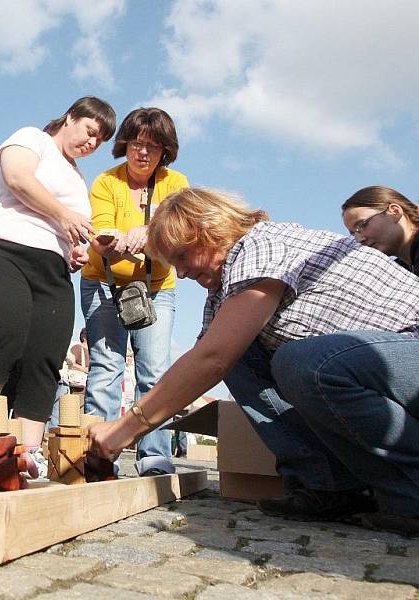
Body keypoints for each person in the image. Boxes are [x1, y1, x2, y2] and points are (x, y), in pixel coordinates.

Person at [88, 188, 419, 535]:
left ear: (208, 229)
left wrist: (122, 431)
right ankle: (328, 485)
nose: (182, 273)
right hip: (387, 366)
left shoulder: (261, 245)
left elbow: (212, 359)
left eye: (182, 256)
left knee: (305, 362)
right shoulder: (224, 290)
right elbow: (202, 361)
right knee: (244, 354)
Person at [0, 97, 116, 472]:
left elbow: (71, 231)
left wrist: (76, 252)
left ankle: (26, 454)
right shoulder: (32, 139)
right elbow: (18, 178)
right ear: (71, 117)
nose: (92, 144)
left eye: (100, 141)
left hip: (52, 268)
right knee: (5, 332)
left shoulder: (79, 179)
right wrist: (64, 214)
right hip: (1, 249)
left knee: (44, 357)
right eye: (90, 131)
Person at [80, 107, 189, 477]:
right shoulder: (105, 182)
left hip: (157, 287)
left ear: (165, 153)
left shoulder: (177, 184)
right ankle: (96, 453)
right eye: (136, 144)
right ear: (124, 144)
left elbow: (177, 229)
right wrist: (110, 242)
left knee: (154, 372)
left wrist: (151, 233)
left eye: (153, 147)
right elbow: (101, 231)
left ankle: (154, 454)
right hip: (103, 284)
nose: (143, 153)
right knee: (105, 368)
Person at [341, 186, 419, 274]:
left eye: (362, 224)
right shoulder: (398, 273)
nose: (359, 239)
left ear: (395, 212)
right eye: (353, 233)